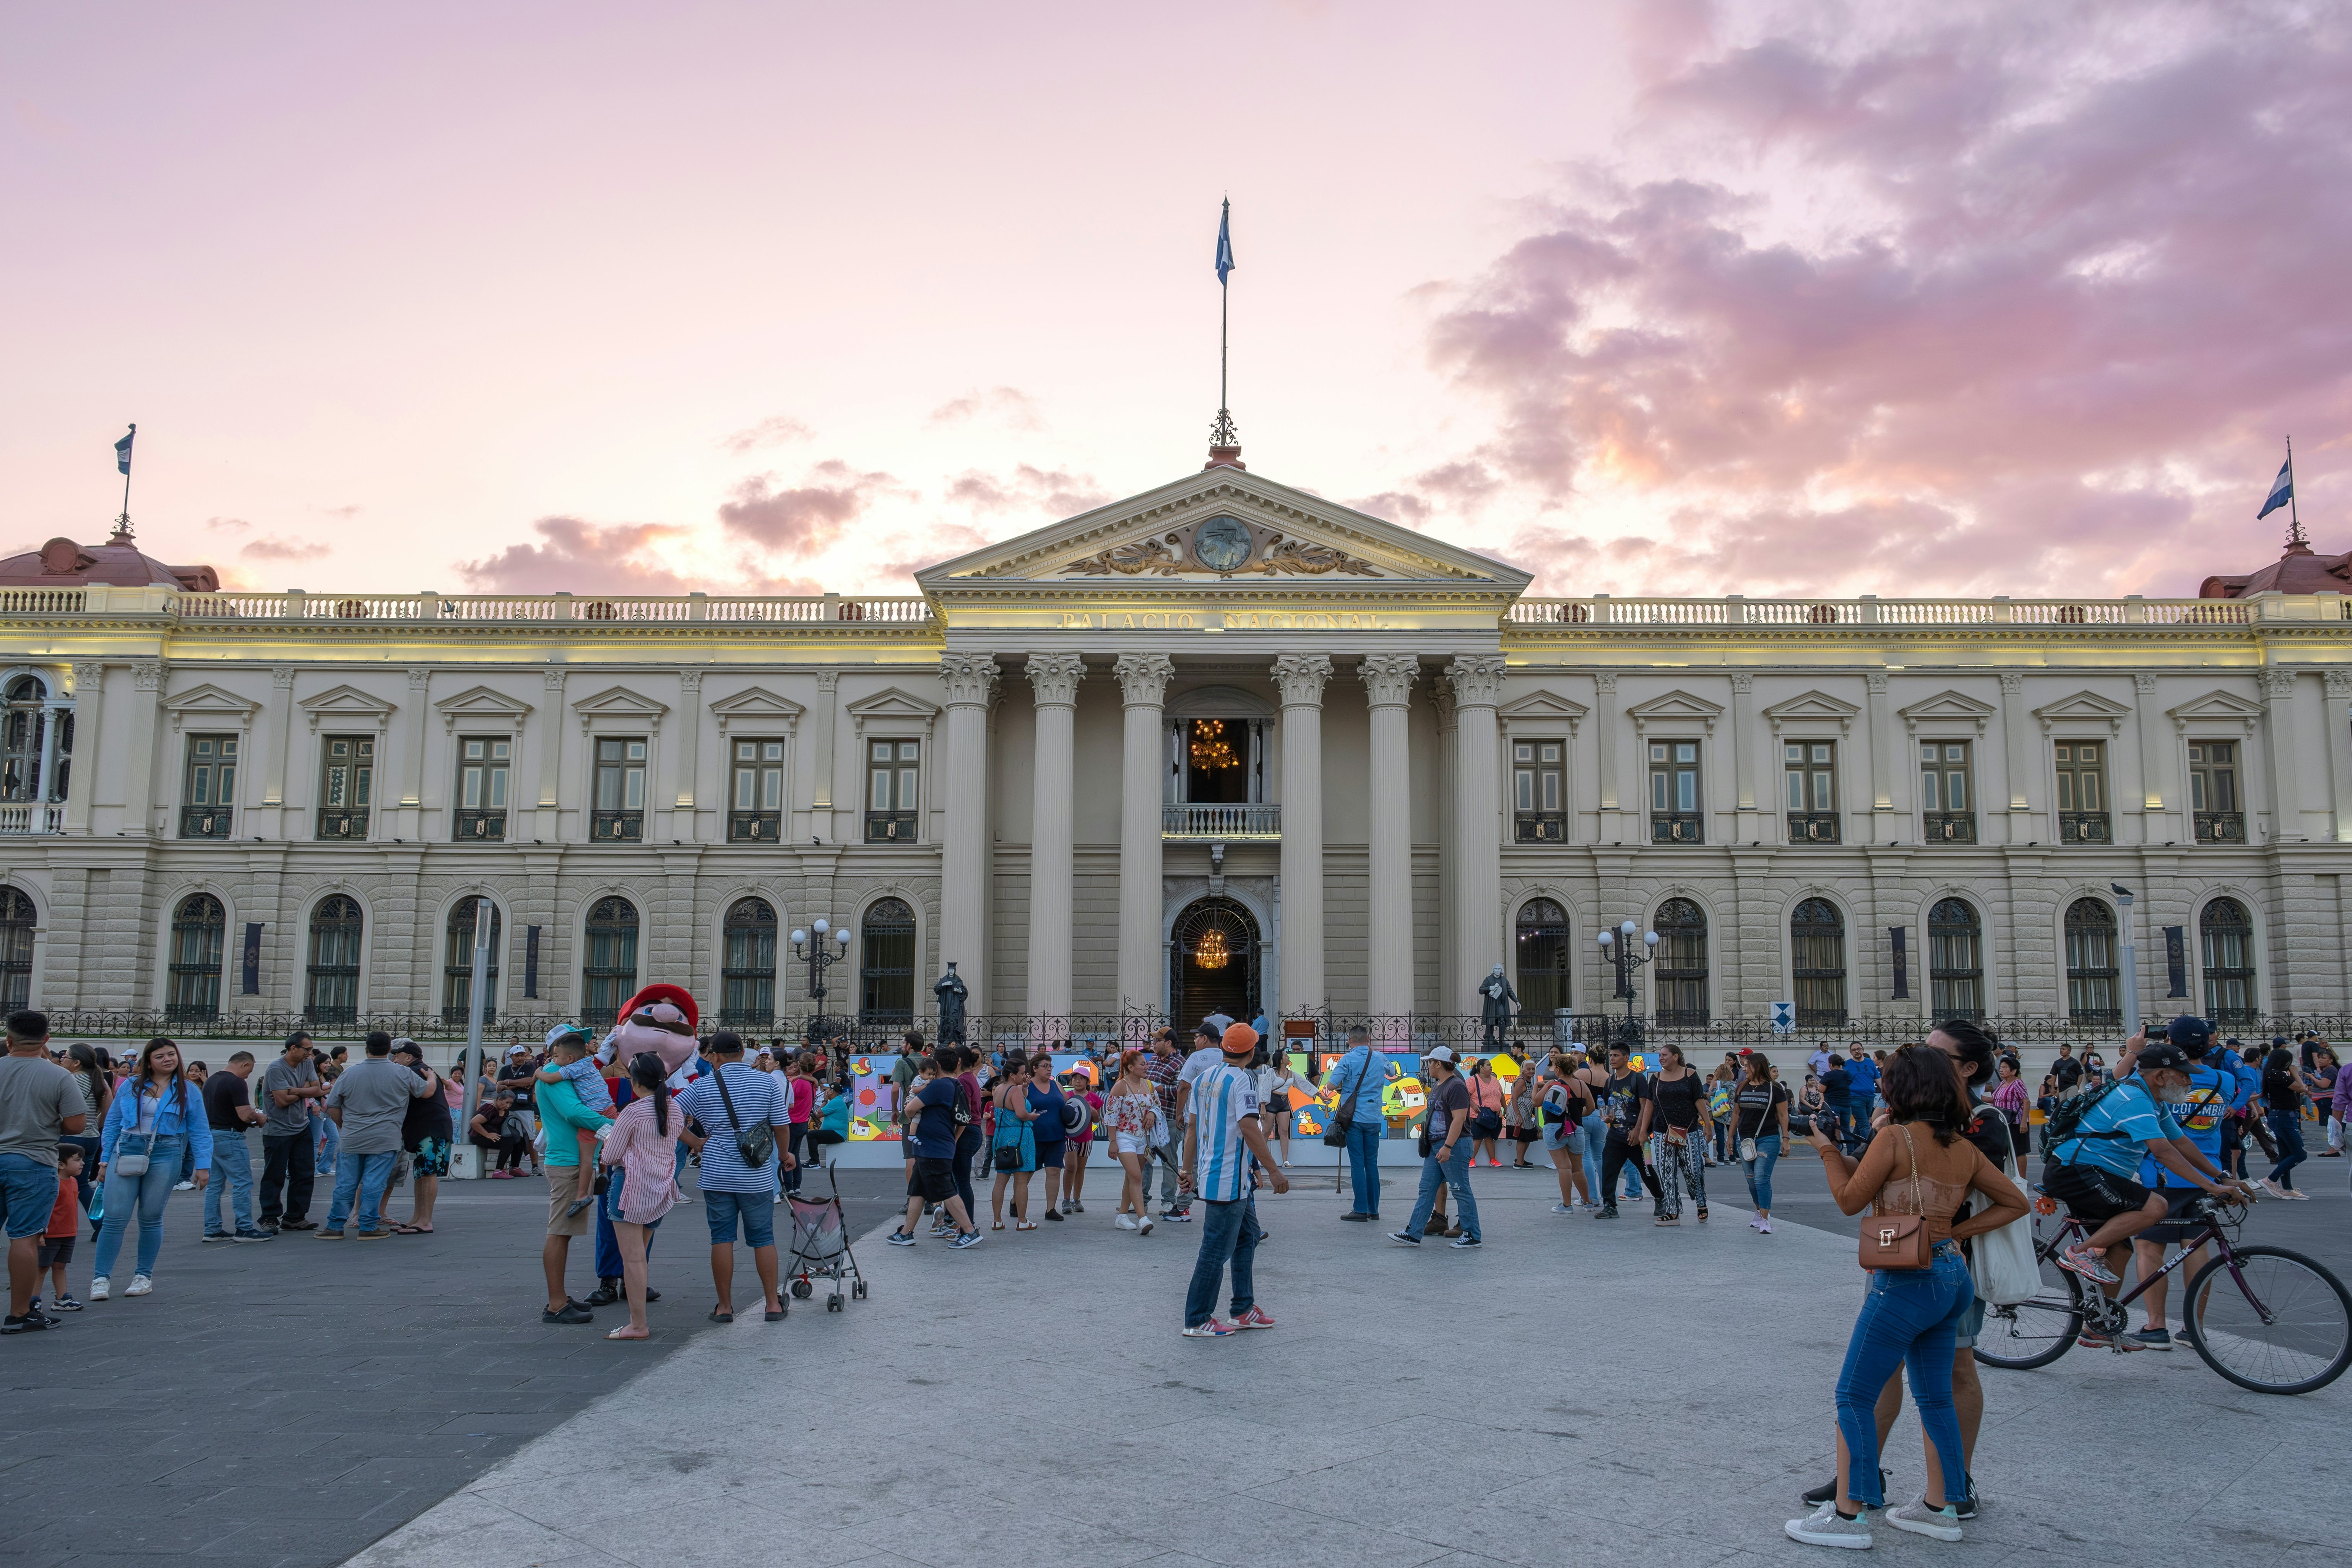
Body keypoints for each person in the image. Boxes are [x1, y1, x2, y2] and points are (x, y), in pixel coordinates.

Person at [1783, 1045, 2027, 1549]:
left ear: (1902, 1089)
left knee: (1854, 1393)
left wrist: (1826, 1149)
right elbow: (2016, 1201)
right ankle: (1942, 1507)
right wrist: (1957, 1233)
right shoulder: (1962, 1145)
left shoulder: (1895, 1137)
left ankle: (1849, 1515)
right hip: (1951, 1276)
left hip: (1906, 1279)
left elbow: (1850, 1201)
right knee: (1934, 1393)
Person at [2042, 1034, 2247, 1302]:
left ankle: (2100, 1325)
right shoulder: (2134, 1099)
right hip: (2075, 1171)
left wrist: (2221, 1176)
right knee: (2156, 1206)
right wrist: (2211, 1186)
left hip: (2098, 1174)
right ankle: (2082, 1252)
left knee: (2121, 1250)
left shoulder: (2154, 1100)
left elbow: (2181, 1142)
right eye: (2184, 1075)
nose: (2190, 1081)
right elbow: (2163, 1152)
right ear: (2161, 1076)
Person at [2124, 1016, 2257, 1350]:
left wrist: (2134, 1051)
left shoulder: (2159, 1078)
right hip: (2207, 1169)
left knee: (2150, 1247)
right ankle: (2193, 1327)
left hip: (2161, 1173)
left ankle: (2156, 1325)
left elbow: (2121, 1081)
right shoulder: (2224, 1079)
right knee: (2196, 1247)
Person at [674, 1031, 793, 1322]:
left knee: (722, 1238)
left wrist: (694, 1142)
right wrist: (784, 1154)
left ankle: (725, 1307)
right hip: (756, 1176)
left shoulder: (702, 1085)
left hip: (716, 1174)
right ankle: (772, 1305)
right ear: (743, 1053)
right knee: (764, 1237)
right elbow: (781, 1125)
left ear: (714, 1056)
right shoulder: (767, 1082)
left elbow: (669, 1114)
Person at [1181, 1023, 1290, 1336]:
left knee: (1248, 1236)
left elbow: (1192, 1128)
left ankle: (1243, 1308)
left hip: (1220, 1175)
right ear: (1252, 1051)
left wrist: (1187, 1171)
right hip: (1229, 1178)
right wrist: (1273, 1169)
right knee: (1215, 1250)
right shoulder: (1243, 1080)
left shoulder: (1203, 1078)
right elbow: (1249, 1127)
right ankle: (1198, 1318)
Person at [91, 1036, 210, 1301]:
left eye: (171, 1054)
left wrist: (203, 1165)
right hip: (127, 1148)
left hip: (167, 1152)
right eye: (160, 1056)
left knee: (151, 1216)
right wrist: (105, 1160)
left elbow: (200, 1129)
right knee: (114, 1217)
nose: (168, 1059)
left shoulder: (189, 1090)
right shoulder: (132, 1085)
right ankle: (101, 1278)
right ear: (149, 1061)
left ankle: (143, 1276)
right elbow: (112, 1123)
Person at [2, 1011, 90, 1332]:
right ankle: (20, 1314)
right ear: (47, 1040)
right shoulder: (59, 1075)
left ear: (8, 1040)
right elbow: (76, 1125)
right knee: (25, 1239)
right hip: (33, 1161)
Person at [319, 1032, 437, 1241]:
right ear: (389, 1049)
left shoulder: (350, 1073)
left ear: (367, 1049)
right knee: (375, 1183)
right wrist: (431, 1078)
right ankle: (368, 1226)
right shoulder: (402, 1072)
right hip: (386, 1137)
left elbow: (333, 1106)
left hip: (353, 1137)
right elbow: (426, 1093)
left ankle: (335, 1226)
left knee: (346, 1183)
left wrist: (343, 1126)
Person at [598, 1051, 684, 1337]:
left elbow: (610, 1156)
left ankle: (638, 1324)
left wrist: (608, 1138)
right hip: (661, 1188)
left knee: (632, 1258)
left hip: (631, 1187)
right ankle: (637, 1321)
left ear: (634, 1082)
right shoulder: (674, 1109)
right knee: (640, 1257)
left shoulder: (632, 1112)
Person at [887, 1050, 983, 1248]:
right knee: (918, 1190)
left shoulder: (938, 1085)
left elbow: (910, 1109)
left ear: (937, 1066)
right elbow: (963, 1120)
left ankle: (970, 1231)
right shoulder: (956, 1085)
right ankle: (906, 1233)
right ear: (957, 1064)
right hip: (934, 1146)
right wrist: (953, 1140)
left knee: (946, 1190)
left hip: (933, 1147)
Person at [1390, 1045, 1480, 1248]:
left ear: (1439, 1064)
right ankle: (1413, 1233)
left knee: (1460, 1189)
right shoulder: (1441, 1085)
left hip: (1453, 1145)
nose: (1429, 1066)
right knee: (1427, 1190)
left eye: (1431, 1062)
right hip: (1437, 1146)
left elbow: (1460, 1119)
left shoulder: (1455, 1085)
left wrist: (1448, 1146)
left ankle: (1473, 1234)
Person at [200, 1051, 271, 1243]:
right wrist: (260, 1117)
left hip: (211, 1135)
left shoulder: (212, 1080)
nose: (248, 1076)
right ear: (244, 1065)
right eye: (249, 1071)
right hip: (230, 1137)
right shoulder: (237, 1082)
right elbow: (245, 1114)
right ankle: (245, 1228)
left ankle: (212, 1229)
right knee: (242, 1182)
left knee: (214, 1185)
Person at [257, 1033, 325, 1232]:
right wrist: (304, 1089)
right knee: (274, 1175)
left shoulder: (307, 1064)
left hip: (302, 1127)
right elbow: (281, 1101)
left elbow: (318, 1089)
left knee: (304, 1174)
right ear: (293, 1048)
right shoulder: (276, 1069)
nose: (310, 1053)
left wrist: (293, 1090)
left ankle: (295, 1217)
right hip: (278, 1130)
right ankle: (269, 1218)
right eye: (307, 1049)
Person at [388, 1040, 454, 1234]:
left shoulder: (416, 1071)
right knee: (421, 1175)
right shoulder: (423, 1071)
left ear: (408, 1057)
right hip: (429, 1129)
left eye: (396, 1055)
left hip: (430, 1129)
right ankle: (417, 1218)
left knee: (427, 1174)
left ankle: (425, 1221)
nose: (393, 1059)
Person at [1327, 1025, 1388, 1222]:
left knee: (1357, 1164)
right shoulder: (1379, 1057)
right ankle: (1374, 1209)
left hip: (1353, 1118)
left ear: (1349, 1040)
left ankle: (1360, 1209)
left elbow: (1331, 1085)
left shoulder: (1348, 1059)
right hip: (1374, 1118)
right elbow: (1393, 1072)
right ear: (1369, 1039)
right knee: (1372, 1163)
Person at [1645, 1043, 1711, 1224]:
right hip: (1662, 1132)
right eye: (1660, 1055)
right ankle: (1673, 1211)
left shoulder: (1689, 1075)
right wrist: (1644, 1130)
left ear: (1676, 1057)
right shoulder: (1656, 1078)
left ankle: (1701, 1201)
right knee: (1667, 1172)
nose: (1661, 1058)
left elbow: (1699, 1100)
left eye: (1665, 1055)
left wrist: (1707, 1125)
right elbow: (1650, 1106)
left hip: (1688, 1131)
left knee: (1693, 1169)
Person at [1593, 1043, 1653, 1220]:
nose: (1612, 1059)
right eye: (1610, 1056)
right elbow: (1606, 1107)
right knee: (1609, 1171)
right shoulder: (1610, 1081)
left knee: (1648, 1170)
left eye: (1616, 1056)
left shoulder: (1638, 1079)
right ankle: (1610, 1206)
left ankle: (1660, 1199)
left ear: (1626, 1058)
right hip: (1616, 1136)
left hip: (1638, 1137)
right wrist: (1607, 1118)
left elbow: (1645, 1107)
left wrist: (1639, 1131)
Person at [1733, 1052, 1790, 1232]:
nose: (1744, 1069)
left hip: (1768, 1138)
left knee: (1761, 1177)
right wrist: (1729, 1137)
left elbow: (1783, 1115)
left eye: (1747, 1065)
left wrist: (1786, 1139)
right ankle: (1759, 1212)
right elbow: (1736, 1114)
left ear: (1757, 1067)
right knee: (1751, 1180)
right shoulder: (1742, 1087)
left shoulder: (1775, 1088)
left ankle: (1765, 1219)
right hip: (1745, 1140)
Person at [1107, 1049, 1161, 1235]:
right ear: (1130, 1067)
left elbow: (1157, 1105)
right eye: (1143, 1064)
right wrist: (1113, 1141)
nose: (1146, 1067)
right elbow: (1112, 1117)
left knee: (1132, 1178)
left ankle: (1122, 1216)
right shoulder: (1120, 1086)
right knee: (1137, 1177)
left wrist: (1153, 1114)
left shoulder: (1148, 1085)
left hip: (1143, 1139)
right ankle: (1143, 1218)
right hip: (1124, 1137)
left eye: (1146, 1064)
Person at [988, 1051, 1042, 1229]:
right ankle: (1023, 1220)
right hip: (1020, 1138)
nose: (1025, 1076)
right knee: (1021, 1180)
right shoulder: (1013, 1090)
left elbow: (1011, 1106)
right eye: (1022, 1073)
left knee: (1000, 1180)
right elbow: (1022, 1114)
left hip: (1002, 1136)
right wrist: (1033, 1116)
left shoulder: (1000, 1089)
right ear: (1013, 1075)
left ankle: (997, 1220)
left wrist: (1024, 1088)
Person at [29, 1144, 85, 1317]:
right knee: (42, 1267)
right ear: (61, 1164)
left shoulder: (74, 1181)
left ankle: (62, 1299)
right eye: (77, 1160)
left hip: (69, 1233)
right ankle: (33, 1299)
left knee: (60, 1266)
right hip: (51, 1234)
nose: (82, 1163)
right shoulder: (53, 1183)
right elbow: (41, 1208)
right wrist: (40, 1234)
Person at [1537, 1055, 1594, 1213]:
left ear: (1558, 1069)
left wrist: (1538, 1086)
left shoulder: (1553, 1084)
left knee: (1564, 1168)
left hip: (1554, 1129)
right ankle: (1588, 1202)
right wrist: (1575, 1115)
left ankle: (1567, 1205)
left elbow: (1536, 1102)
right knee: (1578, 1168)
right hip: (1577, 1130)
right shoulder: (1582, 1085)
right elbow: (1591, 1108)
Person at [59, 1042, 107, 1220]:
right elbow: (108, 1108)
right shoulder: (97, 1079)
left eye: (67, 1056)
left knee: (59, 1181)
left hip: (70, 1137)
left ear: (77, 1062)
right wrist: (95, 1124)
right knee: (83, 1184)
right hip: (92, 1137)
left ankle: (59, 1224)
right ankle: (99, 1222)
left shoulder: (71, 1079)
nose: (63, 1059)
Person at [2259, 1046, 2310, 1198]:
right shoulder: (2277, 1074)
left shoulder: (2275, 1074)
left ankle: (2287, 1188)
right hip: (2284, 1117)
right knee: (2300, 1154)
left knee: (2286, 1154)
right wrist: (2295, 1072)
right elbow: (2301, 1088)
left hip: (2284, 1116)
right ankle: (2271, 1180)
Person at [1027, 1055, 1071, 1220]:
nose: (1049, 1069)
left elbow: (1070, 1106)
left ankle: (1050, 1209)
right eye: (1045, 1066)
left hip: (1057, 1137)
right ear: (1035, 1069)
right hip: (1034, 1137)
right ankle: (1015, 1202)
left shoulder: (1057, 1085)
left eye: (1051, 1066)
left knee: (1054, 1172)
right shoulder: (1027, 1087)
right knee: (1027, 1172)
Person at [1060, 1070, 1101, 1214]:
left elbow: (1097, 1120)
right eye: (1075, 1078)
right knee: (1071, 1167)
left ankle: (1076, 1200)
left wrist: (1092, 1111)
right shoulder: (1067, 1097)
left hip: (1086, 1137)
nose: (1078, 1081)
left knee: (1081, 1169)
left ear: (1088, 1082)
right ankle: (1066, 1199)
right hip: (1069, 1137)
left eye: (1082, 1079)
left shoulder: (1094, 1098)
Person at [469, 1090, 525, 1176]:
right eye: (507, 1102)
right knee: (508, 1142)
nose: (508, 1106)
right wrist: (487, 1135)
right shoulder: (490, 1108)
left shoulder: (505, 1109)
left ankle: (515, 1168)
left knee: (519, 1140)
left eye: (511, 1103)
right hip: (480, 1136)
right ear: (499, 1099)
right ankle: (499, 1171)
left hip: (495, 1135)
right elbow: (474, 1122)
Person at [1465, 1057, 1506, 1169]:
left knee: (1490, 1137)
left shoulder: (1494, 1080)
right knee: (1478, 1137)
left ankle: (1493, 1159)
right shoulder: (1472, 1081)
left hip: (1494, 1115)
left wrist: (1505, 1108)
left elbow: (1501, 1095)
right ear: (1481, 1068)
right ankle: (1471, 1159)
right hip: (1479, 1115)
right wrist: (1473, 1106)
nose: (1491, 1067)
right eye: (1488, 1065)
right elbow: (1465, 1095)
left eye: (1491, 1065)